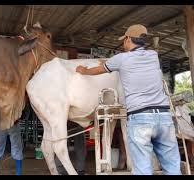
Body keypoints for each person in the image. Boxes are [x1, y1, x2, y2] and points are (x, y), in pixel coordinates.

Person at [75, 24, 181, 175]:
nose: (123, 43)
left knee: (143, 169)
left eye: (124, 39)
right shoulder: (153, 56)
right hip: (164, 117)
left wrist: (83, 70)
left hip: (140, 118)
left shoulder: (121, 59)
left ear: (128, 39)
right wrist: (106, 65)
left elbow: (99, 70)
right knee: (172, 167)